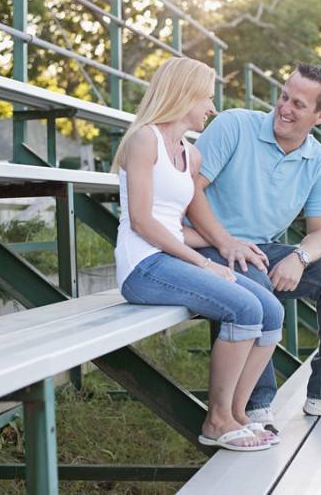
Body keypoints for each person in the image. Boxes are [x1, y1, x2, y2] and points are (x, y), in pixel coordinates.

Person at [186, 63, 321, 435]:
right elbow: (190, 192)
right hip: (205, 245)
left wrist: (300, 257)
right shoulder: (234, 125)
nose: (284, 108)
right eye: (284, 97)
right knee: (253, 277)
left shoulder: (318, 161)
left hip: (261, 250)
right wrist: (226, 241)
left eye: (299, 104)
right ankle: (255, 403)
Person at [111, 57, 284, 451]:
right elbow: (142, 221)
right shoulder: (144, 139)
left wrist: (225, 245)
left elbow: (182, 219)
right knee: (245, 309)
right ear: (183, 94)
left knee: (272, 311)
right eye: (206, 97)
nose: (212, 107)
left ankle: (238, 414)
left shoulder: (192, 154)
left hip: (171, 257)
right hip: (144, 265)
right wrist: (205, 262)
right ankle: (217, 420)